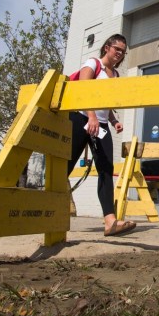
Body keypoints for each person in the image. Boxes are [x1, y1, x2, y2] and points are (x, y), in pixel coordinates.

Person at [67, 34, 136, 237]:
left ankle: (110, 222)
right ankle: (46, 212)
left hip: (102, 125)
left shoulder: (115, 75)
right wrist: (91, 116)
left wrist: (114, 121)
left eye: (123, 52)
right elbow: (82, 88)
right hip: (81, 119)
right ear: (107, 47)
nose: (120, 54)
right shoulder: (92, 63)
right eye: (117, 49)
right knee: (66, 165)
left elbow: (106, 103)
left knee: (106, 169)